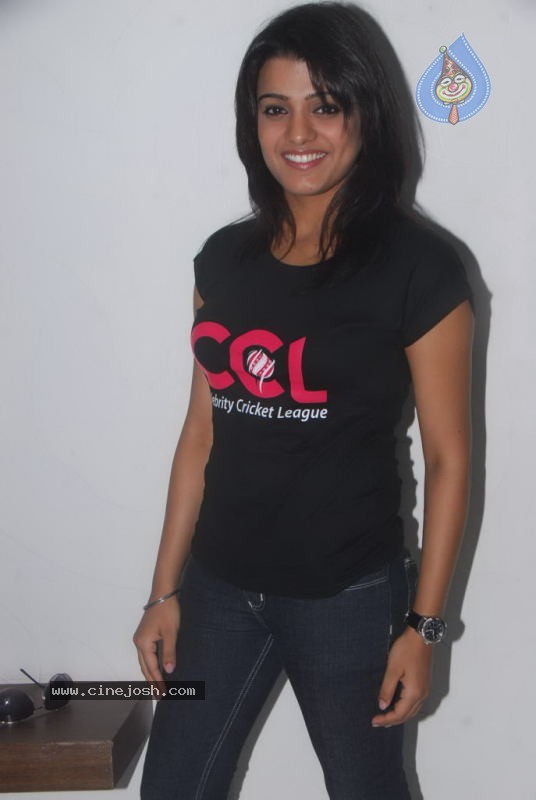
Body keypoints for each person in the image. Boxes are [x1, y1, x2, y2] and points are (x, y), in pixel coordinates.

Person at [134, 3, 474, 798]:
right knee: (172, 788)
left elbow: (450, 458)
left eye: (325, 106)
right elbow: (200, 434)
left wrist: (423, 628)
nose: (298, 133)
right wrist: (163, 591)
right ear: (251, 122)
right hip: (219, 587)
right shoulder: (223, 260)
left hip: (347, 596)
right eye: (274, 108)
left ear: (366, 114)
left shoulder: (420, 269)